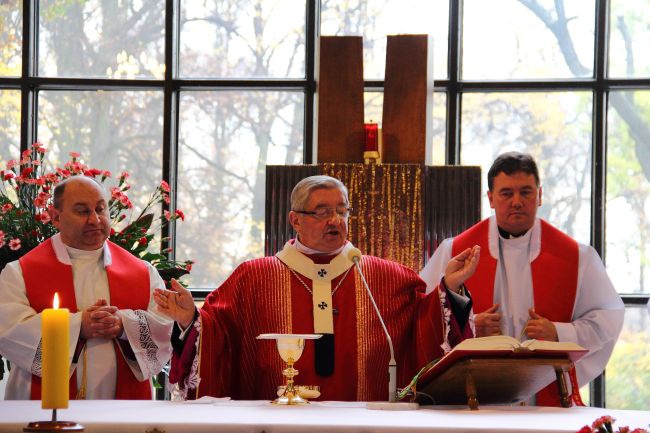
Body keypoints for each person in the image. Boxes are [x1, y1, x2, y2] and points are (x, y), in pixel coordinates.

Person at [155, 175, 479, 401]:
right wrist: (189, 320)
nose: (335, 220)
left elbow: (426, 325)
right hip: (277, 423)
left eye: (342, 210)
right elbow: (217, 333)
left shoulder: (385, 277)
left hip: (364, 422)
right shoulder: (253, 278)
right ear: (295, 220)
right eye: (322, 212)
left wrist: (449, 288)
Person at [420, 151, 624, 406]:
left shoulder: (578, 257)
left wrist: (559, 333)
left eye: (526, 192)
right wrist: (469, 326)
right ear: (491, 198)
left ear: (539, 196)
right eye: (506, 193)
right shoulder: (454, 252)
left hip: (545, 401)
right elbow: (421, 318)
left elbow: (607, 320)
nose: (516, 201)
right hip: (474, 401)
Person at [0, 176, 173, 400]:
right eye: (82, 211)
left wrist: (123, 325)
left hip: (123, 410)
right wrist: (78, 326)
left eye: (100, 209)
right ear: (55, 217)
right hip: (41, 407)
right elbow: (7, 330)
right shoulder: (19, 273)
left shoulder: (144, 273)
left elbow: (166, 329)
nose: (95, 219)